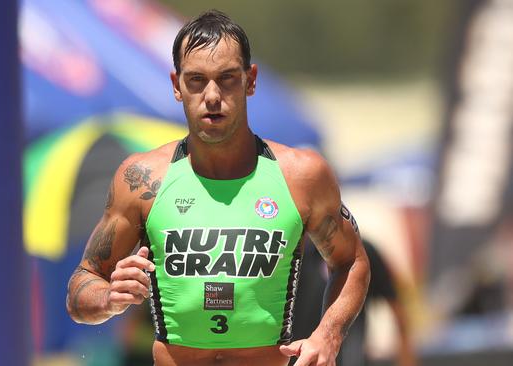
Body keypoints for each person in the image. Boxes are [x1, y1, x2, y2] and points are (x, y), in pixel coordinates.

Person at [66, 10, 370, 366]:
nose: (212, 95)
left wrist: (328, 335)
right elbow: (82, 286)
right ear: (176, 85)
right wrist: (108, 298)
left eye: (226, 79)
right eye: (196, 80)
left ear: (250, 80)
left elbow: (351, 262)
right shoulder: (143, 179)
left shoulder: (301, 175)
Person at [291, 239, 417, 366]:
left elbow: (397, 308)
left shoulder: (362, 253)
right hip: (302, 355)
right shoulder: (297, 255)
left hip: (349, 357)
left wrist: (406, 358)